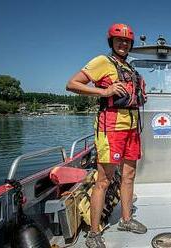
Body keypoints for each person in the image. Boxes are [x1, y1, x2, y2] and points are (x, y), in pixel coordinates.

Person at [66, 23, 147, 248]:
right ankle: (93, 233)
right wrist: (104, 91)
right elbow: (72, 84)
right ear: (111, 42)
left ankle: (126, 219)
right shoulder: (102, 61)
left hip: (132, 128)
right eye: (119, 40)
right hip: (111, 127)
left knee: (129, 176)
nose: (123, 44)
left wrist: (140, 94)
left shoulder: (129, 68)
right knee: (104, 180)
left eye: (127, 41)